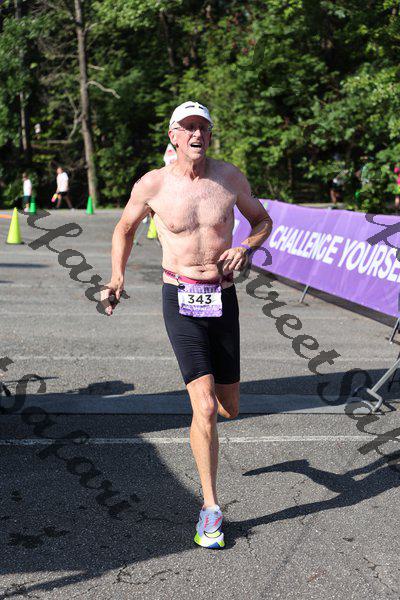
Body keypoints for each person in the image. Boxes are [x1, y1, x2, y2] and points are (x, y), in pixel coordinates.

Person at [101, 100, 273, 549]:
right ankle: (210, 509)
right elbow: (124, 228)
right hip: (179, 297)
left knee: (229, 407)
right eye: (189, 127)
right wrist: (117, 277)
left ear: (210, 134)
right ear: (173, 136)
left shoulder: (229, 178)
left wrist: (246, 247)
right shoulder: (153, 184)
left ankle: (206, 417)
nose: (197, 134)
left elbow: (262, 221)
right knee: (205, 407)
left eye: (203, 127)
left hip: (222, 297)